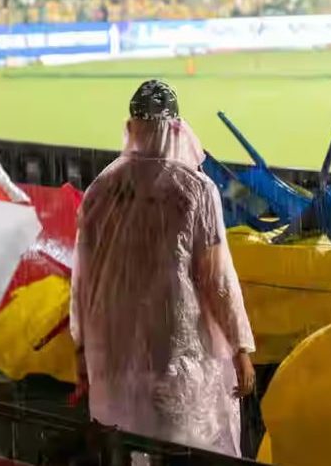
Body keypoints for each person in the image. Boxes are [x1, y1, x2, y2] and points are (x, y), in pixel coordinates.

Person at [70, 79, 256, 456]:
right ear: (176, 127)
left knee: (127, 444)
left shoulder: (101, 189)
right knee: (179, 448)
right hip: (174, 348)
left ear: (131, 128)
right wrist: (240, 349)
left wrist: (81, 351)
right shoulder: (196, 190)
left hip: (113, 349)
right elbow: (216, 279)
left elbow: (82, 282)